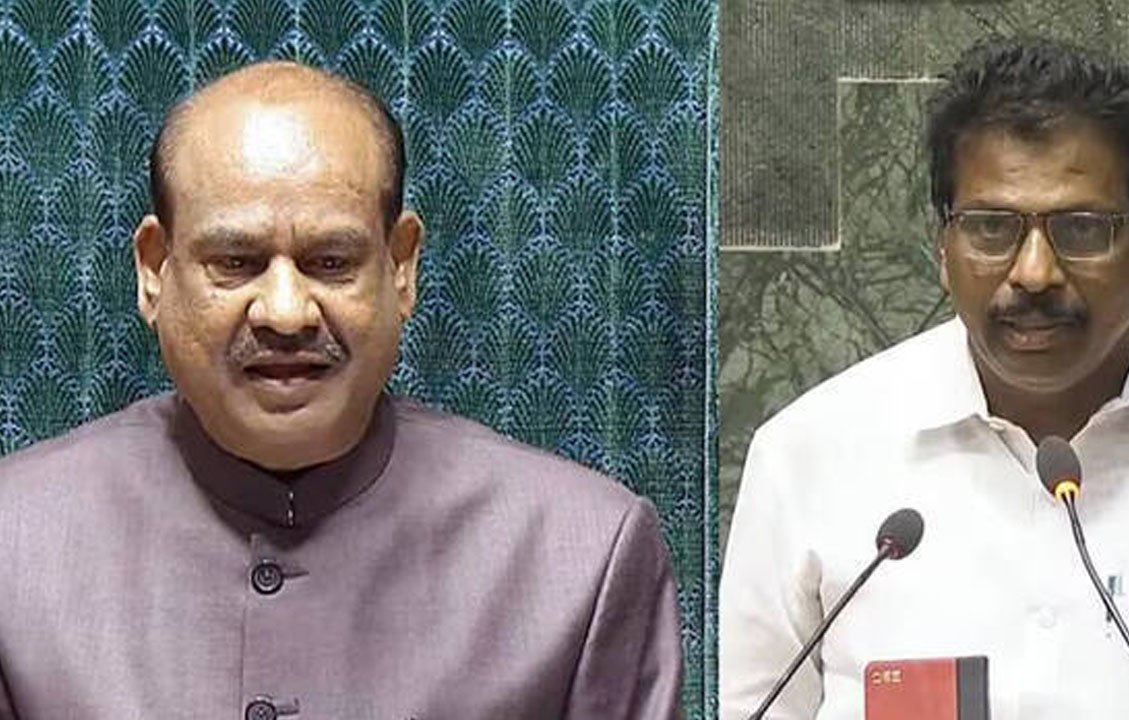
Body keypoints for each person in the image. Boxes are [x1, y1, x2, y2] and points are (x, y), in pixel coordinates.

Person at [0, 62, 682, 719]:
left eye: (331, 262)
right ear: (154, 270)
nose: (286, 312)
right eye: (235, 262)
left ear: (401, 267)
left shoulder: (581, 555)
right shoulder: (15, 542)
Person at [720, 37, 1129, 719]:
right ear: (942, 246)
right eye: (991, 227)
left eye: (1082, 228)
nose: (1034, 273)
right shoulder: (808, 456)